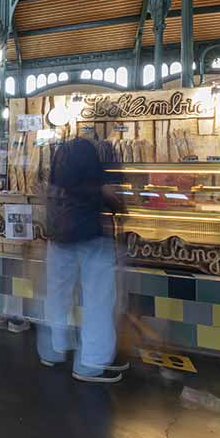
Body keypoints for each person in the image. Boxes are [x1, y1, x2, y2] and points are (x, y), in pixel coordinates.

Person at [37, 136, 128, 383]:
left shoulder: (57, 176)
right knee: (98, 299)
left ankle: (53, 351)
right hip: (91, 238)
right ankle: (91, 364)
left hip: (58, 238)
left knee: (56, 295)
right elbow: (118, 203)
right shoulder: (96, 185)